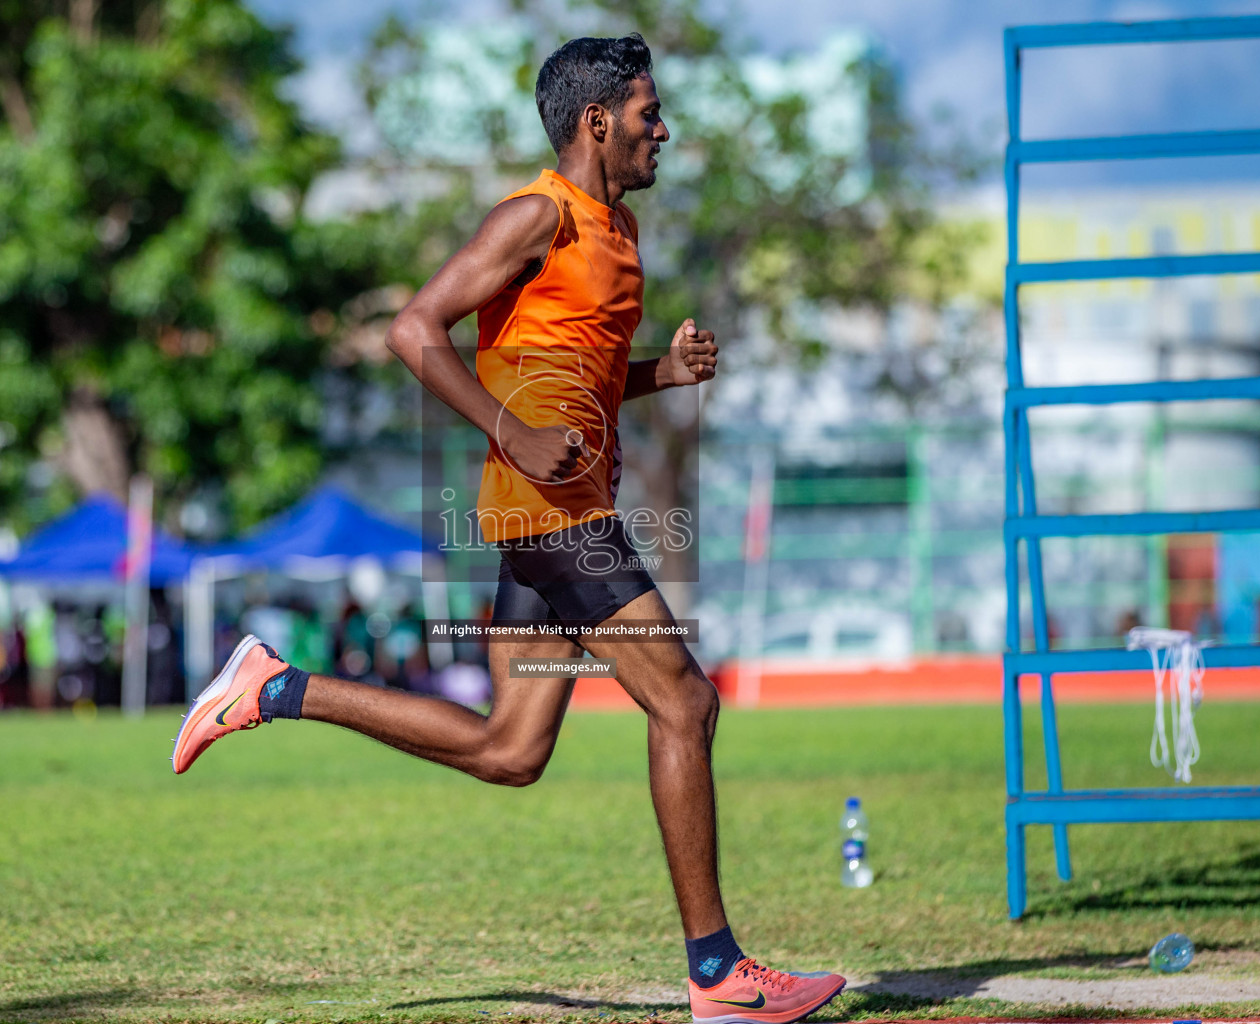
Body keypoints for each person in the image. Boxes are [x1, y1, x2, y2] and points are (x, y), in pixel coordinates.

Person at [172, 34, 844, 1024]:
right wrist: (509, 428)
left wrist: (667, 372)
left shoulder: (617, 235)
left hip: (562, 511)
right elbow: (413, 327)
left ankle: (273, 686)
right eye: (650, 114)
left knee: (510, 749)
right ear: (596, 121)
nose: (664, 130)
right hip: (553, 515)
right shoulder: (539, 215)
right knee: (686, 705)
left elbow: (582, 373)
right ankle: (719, 974)